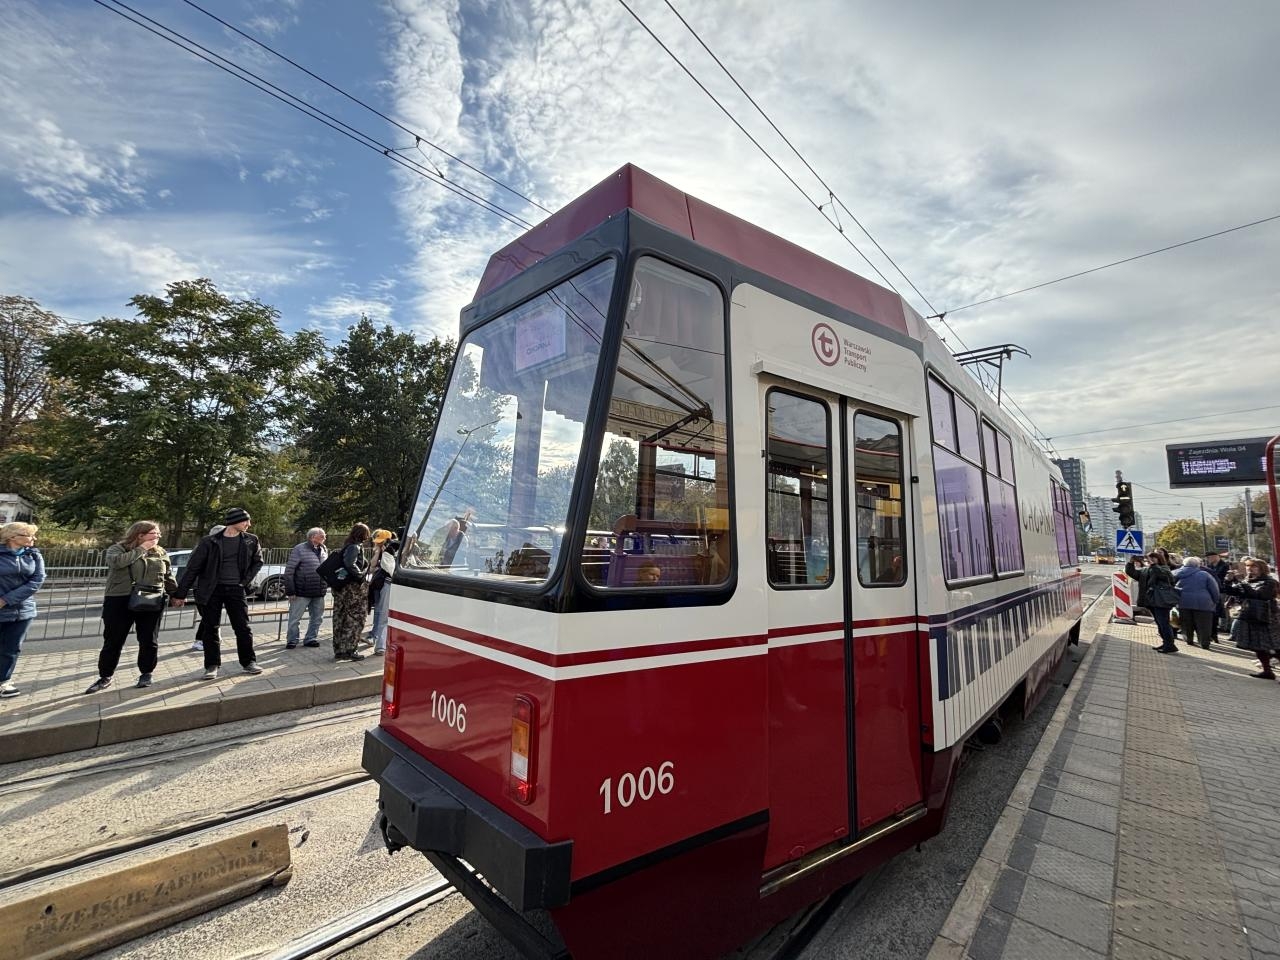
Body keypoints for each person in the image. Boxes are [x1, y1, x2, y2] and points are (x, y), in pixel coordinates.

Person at [86, 521, 181, 692]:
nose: (158, 537)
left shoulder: (160, 552)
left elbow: (167, 575)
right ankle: (105, 675)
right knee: (114, 639)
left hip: (151, 596)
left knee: (148, 639)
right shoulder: (118, 549)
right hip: (120, 598)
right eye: (154, 534)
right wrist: (141, 549)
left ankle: (146, 673)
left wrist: (175, 594)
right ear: (140, 535)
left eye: (159, 534)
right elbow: (117, 563)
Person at [174, 508, 264, 680]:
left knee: (243, 627)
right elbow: (193, 568)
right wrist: (180, 593)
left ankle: (248, 662)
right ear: (234, 521)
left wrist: (244, 582)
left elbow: (258, 562)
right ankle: (212, 665)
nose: (249, 524)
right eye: (246, 521)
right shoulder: (210, 541)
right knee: (210, 628)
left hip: (236, 590)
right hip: (211, 590)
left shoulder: (251, 540)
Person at [0, 522, 45, 699]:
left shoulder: (33, 554)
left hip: (23, 610)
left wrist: (6, 600)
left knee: (11, 648)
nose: (34, 539)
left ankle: (4, 682)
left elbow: (37, 579)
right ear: (13, 537)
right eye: (29, 535)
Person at [1223, 558, 1279, 679]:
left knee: (1274, 646)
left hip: (1267, 618)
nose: (1250, 569)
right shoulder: (1247, 581)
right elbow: (1233, 592)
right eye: (1248, 567)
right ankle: (1267, 671)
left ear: (1262, 569)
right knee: (1258, 646)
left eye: (1254, 567)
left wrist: (1242, 583)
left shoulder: (1269, 582)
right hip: (1251, 616)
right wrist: (1228, 581)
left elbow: (1259, 595)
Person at [331, 523, 370, 662]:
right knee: (356, 618)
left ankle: (340, 650)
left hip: (343, 588)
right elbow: (350, 564)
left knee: (341, 618)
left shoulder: (348, 545)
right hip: (353, 590)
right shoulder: (354, 547)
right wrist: (360, 576)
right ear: (363, 534)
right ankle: (350, 649)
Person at [284, 527, 328, 649]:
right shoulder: (299, 549)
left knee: (317, 618)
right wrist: (290, 591)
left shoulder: (323, 549)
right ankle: (292, 640)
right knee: (295, 618)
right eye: (322, 536)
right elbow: (289, 571)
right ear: (313, 537)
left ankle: (311, 638)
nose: (325, 538)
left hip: (319, 590)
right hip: (301, 591)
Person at [1130, 551, 1179, 653]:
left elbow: (1164, 576)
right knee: (1160, 623)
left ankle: (1170, 645)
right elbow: (1133, 573)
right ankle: (1166, 643)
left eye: (1154, 558)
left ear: (1159, 559)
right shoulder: (1146, 570)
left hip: (1161, 600)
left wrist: (1154, 564)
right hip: (1151, 600)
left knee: (1164, 623)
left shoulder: (1164, 568)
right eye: (1149, 558)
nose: (1151, 560)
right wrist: (1130, 563)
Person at [190, 524, 225, 652]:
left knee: (210, 616)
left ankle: (210, 639)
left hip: (210, 588)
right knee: (208, 616)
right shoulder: (204, 548)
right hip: (203, 588)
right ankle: (201, 640)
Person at [1173, 556, 1219, 650]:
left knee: (1186, 623)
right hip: (1204, 603)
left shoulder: (1175, 574)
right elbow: (1214, 589)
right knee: (1204, 625)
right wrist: (1215, 601)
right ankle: (1204, 643)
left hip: (1183, 602)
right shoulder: (1205, 574)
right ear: (1198, 565)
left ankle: (1188, 639)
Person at [366, 528, 399, 655]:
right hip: (385, 584)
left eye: (381, 542)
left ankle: (381, 644)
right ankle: (380, 644)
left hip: (387, 584)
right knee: (382, 614)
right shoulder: (384, 551)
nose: (378, 543)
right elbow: (372, 566)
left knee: (383, 615)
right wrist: (378, 551)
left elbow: (389, 569)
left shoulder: (390, 551)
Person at [1204, 550, 1231, 636]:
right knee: (1217, 607)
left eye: (1209, 557)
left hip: (1222, 589)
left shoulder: (1225, 566)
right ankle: (1221, 624)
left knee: (1223, 607)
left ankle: (1225, 626)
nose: (1208, 559)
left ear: (1215, 556)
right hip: (1213, 588)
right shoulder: (1209, 566)